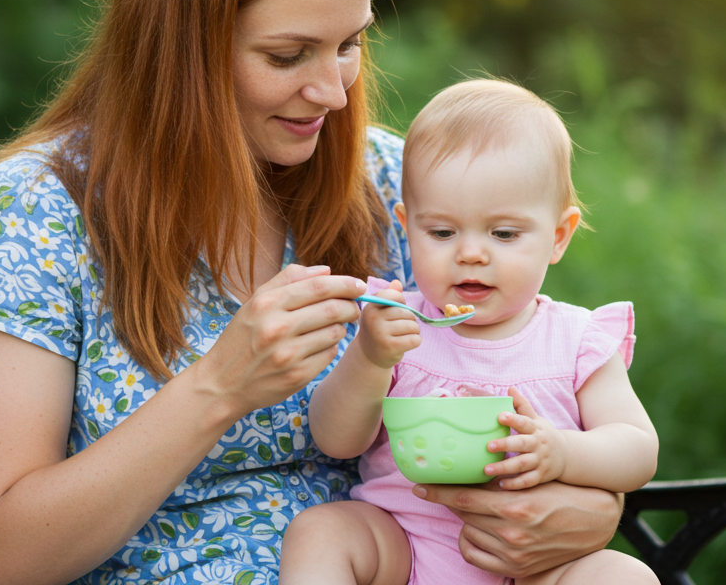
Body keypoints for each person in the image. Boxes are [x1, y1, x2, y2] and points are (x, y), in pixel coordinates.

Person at [0, 0, 624, 585]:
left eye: (349, 45)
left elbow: (531, 373)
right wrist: (219, 386)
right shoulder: (42, 210)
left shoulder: (391, 186)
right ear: (183, 46)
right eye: (288, 56)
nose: (333, 92)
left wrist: (588, 511)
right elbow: (10, 556)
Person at [279, 80, 660, 585]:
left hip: (535, 567)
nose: (471, 253)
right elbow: (336, 440)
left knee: (624, 575)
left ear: (558, 236)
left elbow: (637, 449)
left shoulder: (576, 339)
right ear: (407, 225)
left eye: (504, 233)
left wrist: (561, 452)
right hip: (405, 546)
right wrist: (370, 360)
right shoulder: (398, 327)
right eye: (441, 232)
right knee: (321, 531)